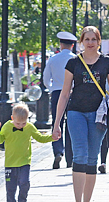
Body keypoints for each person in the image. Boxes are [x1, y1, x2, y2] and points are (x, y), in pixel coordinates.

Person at [52, 26, 109, 202]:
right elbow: (64, 93)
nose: (90, 43)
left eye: (94, 39)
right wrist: (56, 124)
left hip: (98, 115)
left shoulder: (107, 62)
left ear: (99, 41)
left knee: (93, 157)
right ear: (81, 42)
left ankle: (87, 200)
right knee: (80, 154)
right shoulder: (73, 63)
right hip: (76, 112)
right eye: (87, 39)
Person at [0, 102, 56, 202]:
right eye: (18, 123)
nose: (21, 126)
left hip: (25, 161)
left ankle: (22, 199)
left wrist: (52, 137)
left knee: (24, 183)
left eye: (24, 123)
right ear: (12, 118)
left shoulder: (29, 127)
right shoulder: (7, 127)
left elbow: (40, 138)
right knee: (10, 188)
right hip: (10, 163)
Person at [42, 31, 77, 169]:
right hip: (72, 94)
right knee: (71, 125)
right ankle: (70, 157)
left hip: (57, 92)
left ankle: (58, 151)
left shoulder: (53, 59)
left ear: (61, 44)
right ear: (72, 45)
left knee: (56, 123)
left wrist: (52, 89)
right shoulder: (76, 59)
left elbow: (45, 79)